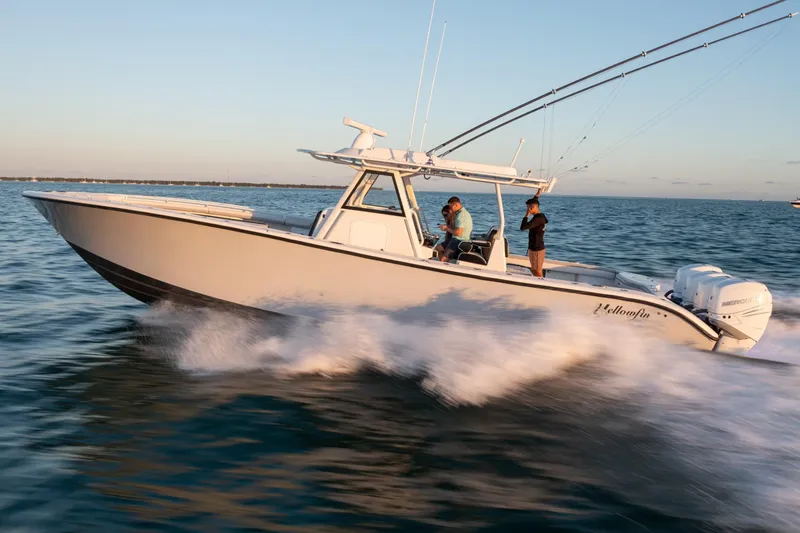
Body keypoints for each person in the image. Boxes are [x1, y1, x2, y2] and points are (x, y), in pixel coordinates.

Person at [520, 188, 548, 277]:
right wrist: (537, 194)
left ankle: (542, 286)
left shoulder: (538, 219)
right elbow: (535, 201)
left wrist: (526, 215)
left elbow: (523, 227)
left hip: (537, 249)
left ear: (534, 207)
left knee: (537, 270)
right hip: (533, 247)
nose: (528, 209)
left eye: (529, 207)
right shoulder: (538, 216)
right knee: (533, 269)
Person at [438, 196, 473, 262]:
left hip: (459, 240)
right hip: (459, 239)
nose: (450, 209)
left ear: (456, 205)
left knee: (444, 258)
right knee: (439, 248)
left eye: (451, 207)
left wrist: (446, 228)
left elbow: (458, 233)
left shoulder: (461, 215)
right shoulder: (462, 213)